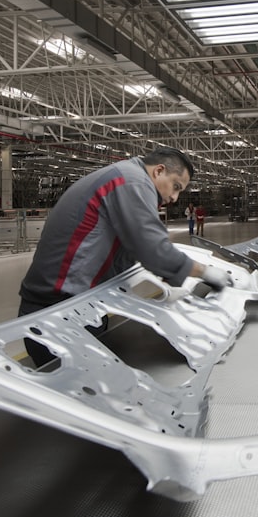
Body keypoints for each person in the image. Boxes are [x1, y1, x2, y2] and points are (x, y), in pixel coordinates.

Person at [18, 147, 232, 367]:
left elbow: (129, 248)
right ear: (159, 171)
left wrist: (168, 275)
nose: (174, 198)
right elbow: (152, 248)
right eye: (176, 187)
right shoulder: (133, 182)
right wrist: (204, 272)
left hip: (77, 305)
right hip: (59, 310)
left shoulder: (125, 176)